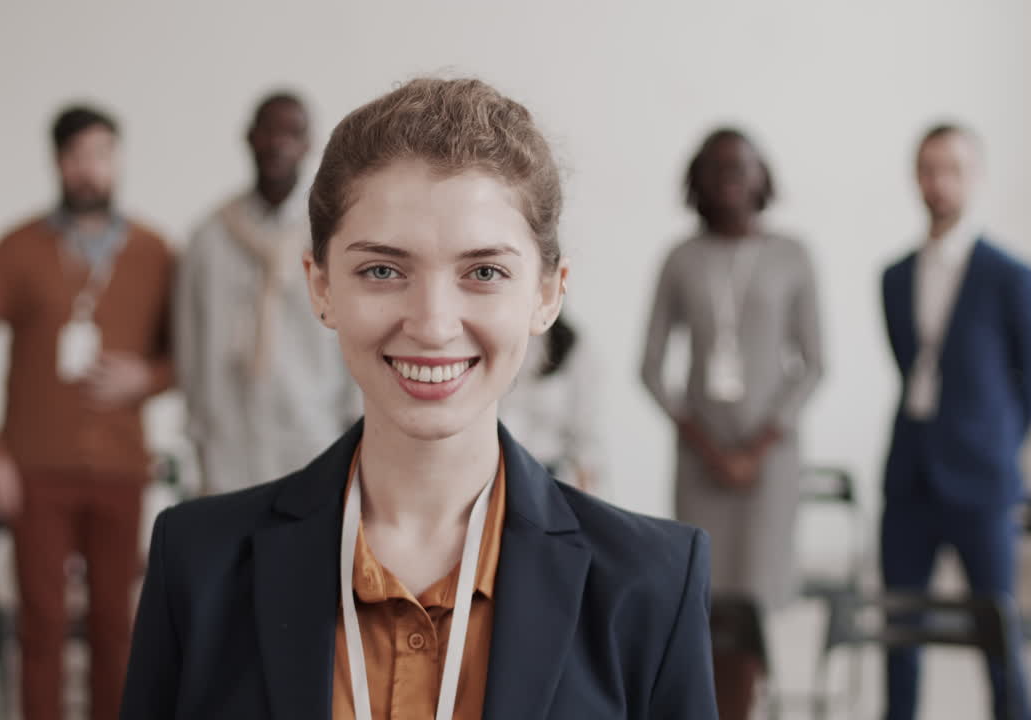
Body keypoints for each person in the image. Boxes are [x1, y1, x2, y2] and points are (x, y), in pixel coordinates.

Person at [121, 77, 718, 719]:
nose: (433, 325)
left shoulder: (653, 583)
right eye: (383, 270)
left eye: (484, 272)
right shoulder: (197, 565)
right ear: (321, 287)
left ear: (547, 293)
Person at [0, 105, 174, 720]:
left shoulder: (154, 252)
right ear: (57, 163)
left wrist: (146, 378)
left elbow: (187, 358)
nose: (88, 168)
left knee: (115, 628)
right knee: (40, 626)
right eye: (75, 156)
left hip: (121, 471)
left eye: (100, 153)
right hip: (35, 473)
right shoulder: (19, 248)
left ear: (117, 160)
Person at [641, 128, 823, 720]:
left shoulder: (792, 255)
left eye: (741, 166)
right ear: (698, 178)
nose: (729, 178)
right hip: (702, 464)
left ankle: (741, 706)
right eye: (716, 167)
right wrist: (709, 448)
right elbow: (650, 368)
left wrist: (756, 448)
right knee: (705, 594)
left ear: (761, 176)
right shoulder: (680, 258)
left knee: (754, 598)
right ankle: (708, 706)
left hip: (768, 466)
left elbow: (813, 364)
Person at [880, 123, 1031, 720]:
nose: (939, 182)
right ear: (915, 177)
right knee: (899, 635)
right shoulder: (895, 276)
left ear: (975, 176)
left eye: (952, 169)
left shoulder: (1011, 275)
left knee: (998, 636)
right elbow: (909, 364)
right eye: (928, 169)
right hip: (909, 478)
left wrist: (996, 443)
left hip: (983, 481)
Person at [175, 91, 357, 494]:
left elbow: (355, 329)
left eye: (292, 133)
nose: (278, 143)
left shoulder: (332, 237)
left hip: (313, 435)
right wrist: (197, 427)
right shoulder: (210, 237)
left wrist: (354, 423)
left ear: (308, 145)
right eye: (268, 131)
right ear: (249, 137)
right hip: (228, 440)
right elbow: (189, 341)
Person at [498, 312, 605, 494]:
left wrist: (585, 476)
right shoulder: (498, 340)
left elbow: (586, 424)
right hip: (499, 471)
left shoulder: (572, 345)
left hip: (550, 473)